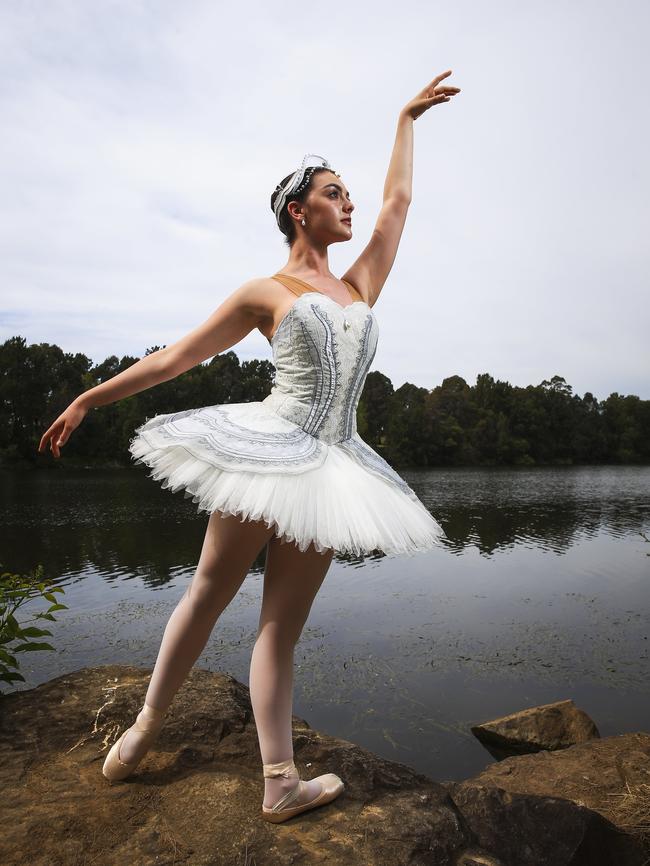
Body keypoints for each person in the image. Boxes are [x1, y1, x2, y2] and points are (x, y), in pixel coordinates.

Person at [38, 70, 461, 823]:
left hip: (334, 467)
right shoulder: (263, 292)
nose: (351, 203)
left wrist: (407, 118)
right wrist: (86, 398)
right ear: (299, 212)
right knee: (208, 590)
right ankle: (141, 732)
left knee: (279, 628)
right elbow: (174, 359)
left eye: (348, 193)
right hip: (267, 451)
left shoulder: (360, 286)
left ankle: (278, 782)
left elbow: (398, 205)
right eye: (335, 193)